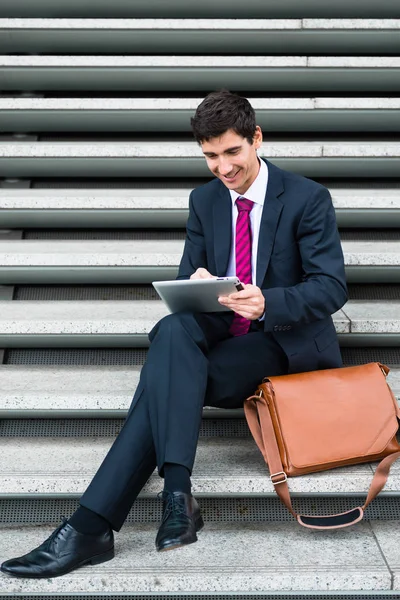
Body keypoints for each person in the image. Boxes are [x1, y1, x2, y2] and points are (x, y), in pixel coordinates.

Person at [1, 90, 348, 579]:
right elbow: (191, 278)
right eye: (210, 156)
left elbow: (331, 287)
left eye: (232, 152)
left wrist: (270, 301)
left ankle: (91, 527)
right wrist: (200, 285)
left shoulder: (307, 198)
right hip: (219, 333)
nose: (222, 168)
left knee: (165, 379)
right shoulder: (204, 200)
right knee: (172, 329)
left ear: (256, 139)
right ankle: (176, 497)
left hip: (279, 342)